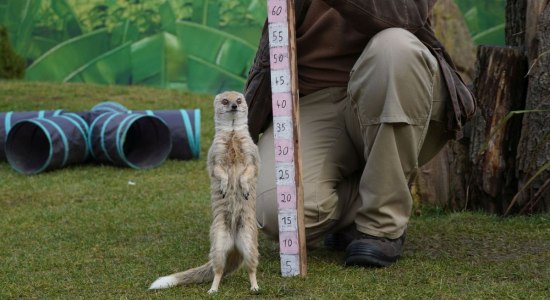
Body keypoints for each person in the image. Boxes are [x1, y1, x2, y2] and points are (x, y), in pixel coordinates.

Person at [244, 0, 475, 267]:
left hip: (395, 88)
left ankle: (382, 224)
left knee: (395, 47)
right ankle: (372, 194)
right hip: (313, 101)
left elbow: (405, 16)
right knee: (278, 213)